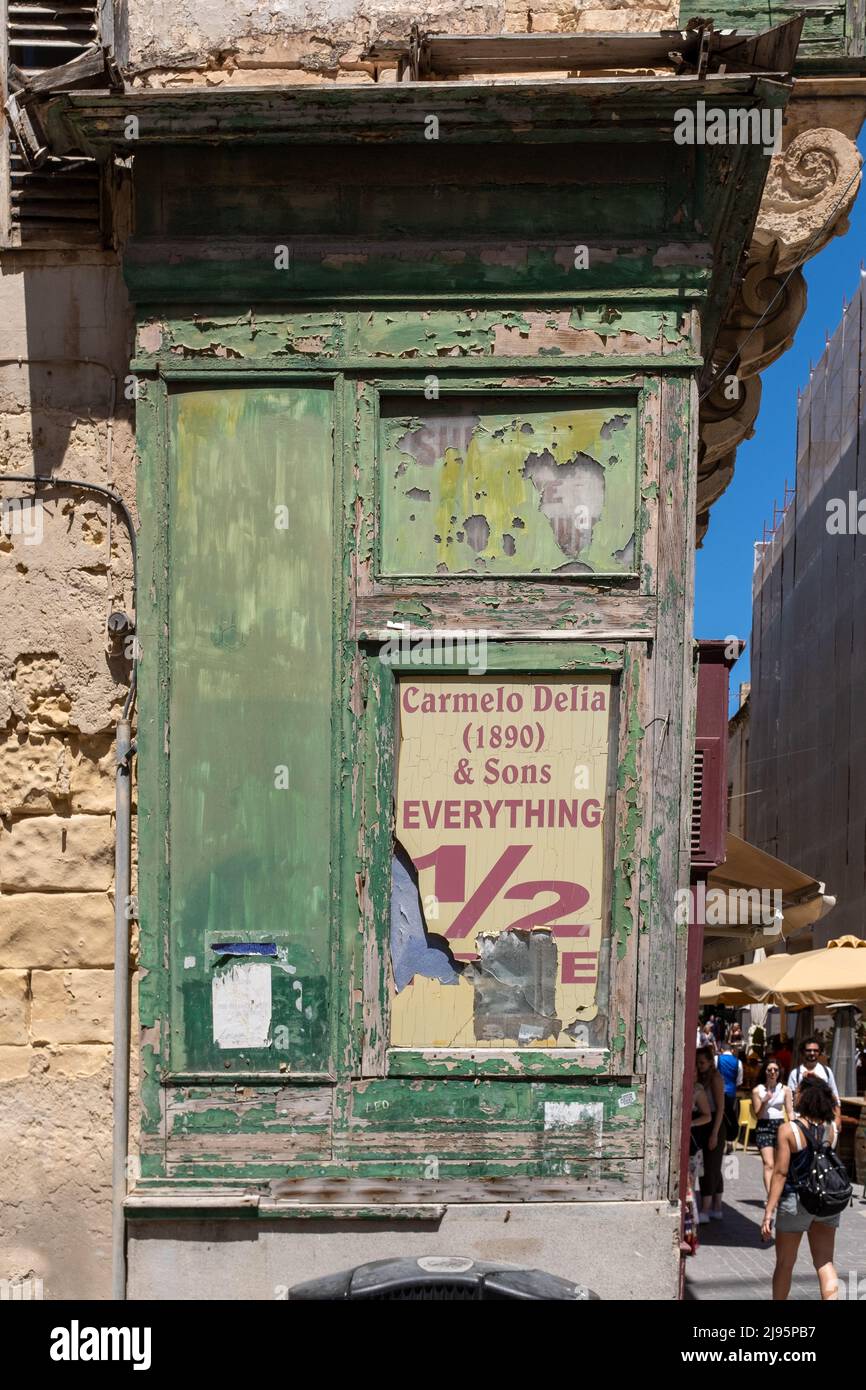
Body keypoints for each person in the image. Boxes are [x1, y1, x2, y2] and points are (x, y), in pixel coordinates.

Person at [761, 1077, 842, 1300]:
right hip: (826, 1203)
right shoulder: (832, 1129)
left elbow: (780, 1173)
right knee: (825, 1262)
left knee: (785, 1264)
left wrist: (768, 1211)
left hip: (795, 1201)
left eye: (797, 1092)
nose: (794, 1095)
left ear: (805, 1096)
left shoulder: (788, 1130)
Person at [751, 1060, 793, 1194]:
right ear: (765, 1072)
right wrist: (765, 1101)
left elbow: (789, 1111)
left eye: (775, 1070)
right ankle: (770, 1197)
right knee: (768, 1164)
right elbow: (758, 1114)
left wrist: (793, 1124)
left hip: (780, 1126)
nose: (773, 1072)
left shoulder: (785, 1089)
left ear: (779, 1072)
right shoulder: (757, 1090)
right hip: (764, 1126)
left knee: (778, 1165)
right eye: (770, 1070)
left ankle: (777, 1194)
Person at [696, 1046, 726, 1222]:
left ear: (710, 1062)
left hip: (715, 1123)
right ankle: (717, 1206)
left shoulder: (715, 1078)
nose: (699, 1066)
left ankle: (707, 1208)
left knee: (710, 1167)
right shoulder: (703, 1077)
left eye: (702, 1063)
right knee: (713, 1166)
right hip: (705, 1122)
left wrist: (714, 1133)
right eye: (697, 1063)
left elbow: (721, 1108)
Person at [788, 1038, 841, 1126]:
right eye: (809, 1050)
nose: (812, 1053)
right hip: (802, 1121)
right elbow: (790, 1099)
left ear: (819, 1052)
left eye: (815, 1050)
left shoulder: (826, 1071)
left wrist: (838, 1118)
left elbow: (834, 1097)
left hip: (824, 1120)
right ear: (803, 1052)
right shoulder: (795, 1073)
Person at [715, 1040, 743, 1148]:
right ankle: (729, 1141)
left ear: (721, 1049)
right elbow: (739, 1081)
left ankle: (719, 1137)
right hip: (731, 1093)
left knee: (719, 1115)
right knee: (730, 1115)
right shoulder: (738, 1062)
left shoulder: (717, 1059)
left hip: (718, 1092)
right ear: (731, 1050)